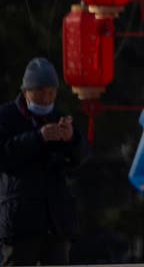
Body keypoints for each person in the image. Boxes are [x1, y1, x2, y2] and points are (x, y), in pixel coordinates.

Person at [0, 58, 86, 266]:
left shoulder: (59, 117)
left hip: (56, 222)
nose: (47, 99)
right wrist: (38, 138)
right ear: (26, 92)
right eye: (40, 93)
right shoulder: (6, 116)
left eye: (51, 93)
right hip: (20, 221)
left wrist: (71, 139)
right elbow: (4, 154)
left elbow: (80, 158)